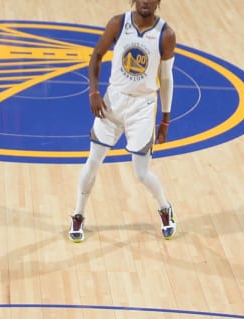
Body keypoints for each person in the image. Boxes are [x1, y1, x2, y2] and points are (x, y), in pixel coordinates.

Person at [68, 0, 177, 242]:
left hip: (143, 107)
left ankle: (165, 207)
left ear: (159, 1)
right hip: (113, 101)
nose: (146, 1)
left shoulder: (166, 35)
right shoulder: (118, 24)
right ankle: (78, 214)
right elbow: (96, 55)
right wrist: (94, 92)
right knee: (93, 161)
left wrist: (166, 119)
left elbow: (166, 78)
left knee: (141, 173)